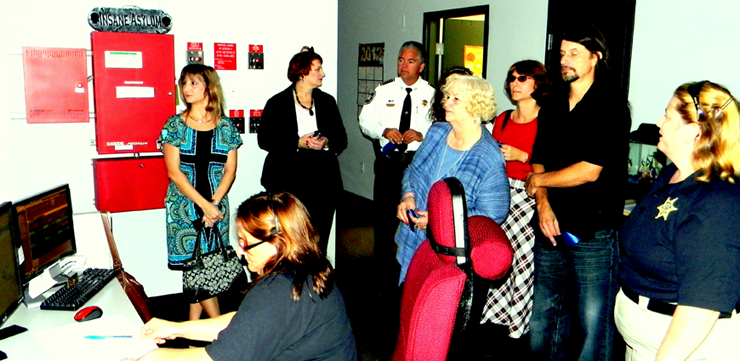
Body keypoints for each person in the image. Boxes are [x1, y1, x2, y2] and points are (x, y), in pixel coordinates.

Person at [123, 192, 357, 361]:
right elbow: (247, 323)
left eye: (246, 243)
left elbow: (217, 358)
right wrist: (176, 329)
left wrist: (148, 357)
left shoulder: (279, 290)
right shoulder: (307, 271)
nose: (240, 252)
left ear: (278, 243)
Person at [525, 24, 631, 360]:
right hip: (549, 226)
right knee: (544, 316)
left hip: (593, 233)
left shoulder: (610, 105)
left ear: (595, 57)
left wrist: (540, 183)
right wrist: (542, 205)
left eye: (574, 54)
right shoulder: (553, 104)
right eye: (562, 54)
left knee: (593, 323)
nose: (564, 61)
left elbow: (589, 170)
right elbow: (538, 162)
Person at [616, 81, 740, 360]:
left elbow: (702, 307)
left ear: (693, 131)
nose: (659, 123)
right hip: (645, 341)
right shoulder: (672, 175)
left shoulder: (718, 200)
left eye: (668, 116)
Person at [396, 74, 510, 283]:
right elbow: (412, 171)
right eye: (447, 96)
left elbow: (492, 214)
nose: (446, 102)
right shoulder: (437, 132)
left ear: (476, 106)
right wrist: (408, 197)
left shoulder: (487, 155)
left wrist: (440, 221)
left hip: (447, 253)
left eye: (455, 99)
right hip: (412, 239)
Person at [159, 64, 242, 321]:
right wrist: (204, 205)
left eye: (193, 83)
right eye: (183, 84)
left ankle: (193, 327)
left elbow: (230, 171)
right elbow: (174, 172)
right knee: (196, 267)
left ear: (209, 86)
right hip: (184, 208)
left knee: (205, 268)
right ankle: (219, 330)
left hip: (217, 208)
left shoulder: (226, 127)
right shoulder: (174, 125)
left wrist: (214, 204)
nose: (186, 89)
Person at [481, 60, 550, 339]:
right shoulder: (503, 118)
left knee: (521, 259)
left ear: (537, 83)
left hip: (529, 192)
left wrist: (523, 156)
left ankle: (517, 322)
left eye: (522, 78)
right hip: (499, 191)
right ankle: (492, 313)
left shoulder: (547, 119)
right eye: (511, 78)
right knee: (495, 252)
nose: (514, 84)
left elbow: (555, 162)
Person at [359, 41, 435, 288]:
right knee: (383, 219)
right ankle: (381, 270)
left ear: (421, 66)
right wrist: (384, 129)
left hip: (416, 165)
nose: (404, 65)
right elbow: (365, 121)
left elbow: (441, 127)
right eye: (401, 60)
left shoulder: (432, 94)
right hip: (389, 164)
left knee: (414, 217)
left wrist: (422, 134)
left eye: (410, 61)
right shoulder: (384, 91)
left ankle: (414, 269)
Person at [258, 47, 347, 253]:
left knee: (319, 238)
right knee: (291, 239)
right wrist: (297, 142)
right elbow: (265, 140)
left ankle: (316, 279)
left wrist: (325, 142)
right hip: (288, 181)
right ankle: (289, 281)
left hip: (324, 182)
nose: (322, 74)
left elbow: (341, 139)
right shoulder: (277, 103)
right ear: (302, 73)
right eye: (317, 69)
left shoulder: (327, 101)